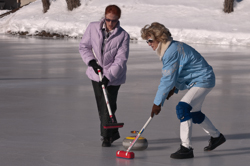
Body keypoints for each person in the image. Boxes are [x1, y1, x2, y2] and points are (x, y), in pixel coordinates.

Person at [141, 22, 226, 159]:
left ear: (160, 38)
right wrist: (172, 89)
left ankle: (186, 148)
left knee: (182, 108)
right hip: (201, 79)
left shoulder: (170, 51)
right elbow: (179, 72)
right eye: (147, 41)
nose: (149, 44)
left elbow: (167, 79)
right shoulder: (171, 48)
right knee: (194, 113)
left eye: (150, 40)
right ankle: (217, 137)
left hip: (203, 80)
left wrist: (157, 102)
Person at [79, 5, 130, 147]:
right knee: (102, 104)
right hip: (96, 73)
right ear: (104, 17)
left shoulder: (123, 36)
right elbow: (84, 46)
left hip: (114, 76)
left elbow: (121, 59)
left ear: (118, 20)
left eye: (114, 21)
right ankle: (112, 133)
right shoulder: (93, 27)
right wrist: (91, 62)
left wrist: (108, 77)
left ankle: (107, 137)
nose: (110, 23)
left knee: (109, 104)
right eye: (108, 20)